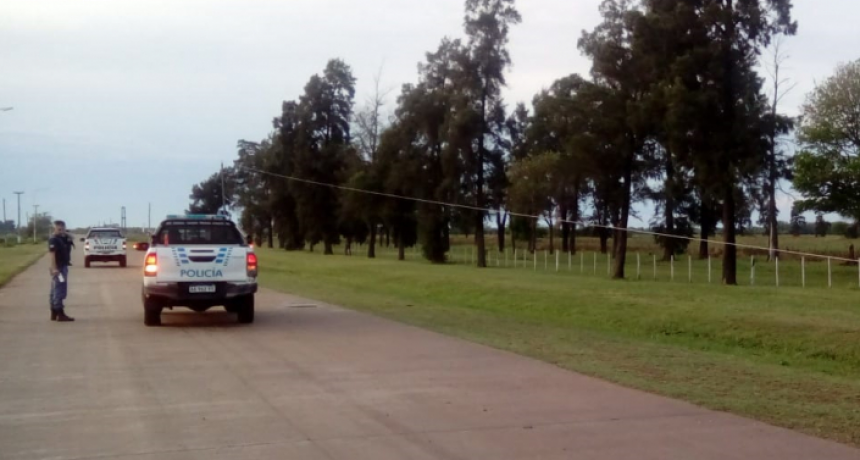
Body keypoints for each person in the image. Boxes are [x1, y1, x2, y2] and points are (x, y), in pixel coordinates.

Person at [48, 220, 74, 322]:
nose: (61, 230)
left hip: (62, 266)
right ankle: (59, 313)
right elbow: (52, 254)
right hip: (58, 268)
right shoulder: (54, 240)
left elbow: (72, 237)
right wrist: (54, 268)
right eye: (59, 229)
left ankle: (54, 312)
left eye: (62, 228)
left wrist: (65, 233)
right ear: (54, 228)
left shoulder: (61, 238)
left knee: (56, 289)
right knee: (59, 289)